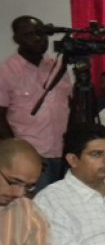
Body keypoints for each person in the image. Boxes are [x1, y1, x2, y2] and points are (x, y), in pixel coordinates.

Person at [0, 15, 72, 190]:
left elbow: (71, 105)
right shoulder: (7, 71)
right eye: (29, 34)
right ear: (17, 39)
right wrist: (21, 155)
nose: (38, 38)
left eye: (41, 33)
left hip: (64, 153)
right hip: (32, 156)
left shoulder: (58, 66)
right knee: (37, 209)